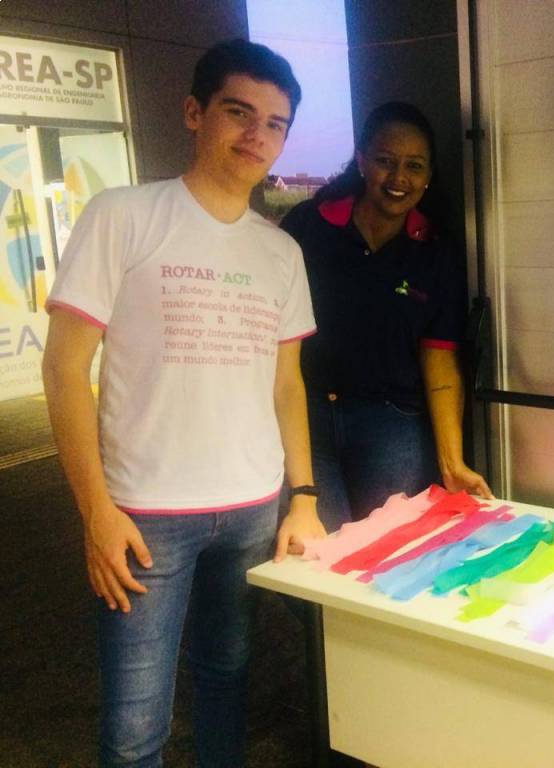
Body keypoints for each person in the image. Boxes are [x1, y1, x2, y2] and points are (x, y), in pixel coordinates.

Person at [41, 38, 325, 767]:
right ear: (195, 113)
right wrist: (96, 513)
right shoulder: (124, 215)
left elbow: (286, 384)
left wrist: (302, 498)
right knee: (135, 727)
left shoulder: (280, 253)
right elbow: (65, 370)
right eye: (238, 112)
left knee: (227, 678)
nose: (257, 135)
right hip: (145, 516)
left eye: (275, 123)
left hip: (253, 507)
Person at [280, 102, 492, 530]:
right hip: (309, 417)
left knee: (391, 545)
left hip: (392, 423)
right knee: (317, 549)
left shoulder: (434, 250)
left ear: (429, 175)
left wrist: (452, 461)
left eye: (414, 166)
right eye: (385, 161)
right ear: (361, 161)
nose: (399, 178)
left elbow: (440, 357)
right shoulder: (308, 226)